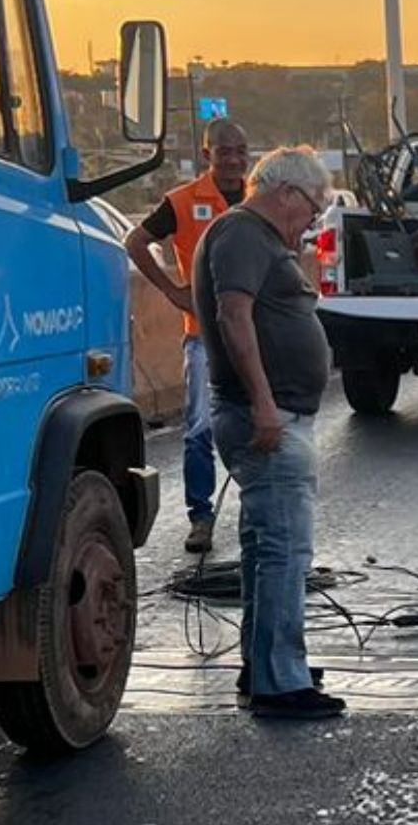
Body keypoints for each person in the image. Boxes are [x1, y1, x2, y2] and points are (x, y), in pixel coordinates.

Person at [194, 146, 343, 722]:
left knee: (264, 550)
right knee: (284, 552)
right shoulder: (243, 235)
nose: (313, 220)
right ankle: (281, 684)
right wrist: (262, 404)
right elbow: (235, 316)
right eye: (314, 206)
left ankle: (266, 664)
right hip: (267, 416)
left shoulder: (251, 236)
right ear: (287, 193)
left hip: (272, 411)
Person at [126, 118, 251, 553]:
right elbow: (135, 241)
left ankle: (257, 513)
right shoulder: (182, 202)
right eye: (224, 152)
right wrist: (172, 290)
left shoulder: (262, 198)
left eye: (241, 151)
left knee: (261, 424)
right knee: (200, 428)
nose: (234, 160)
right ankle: (201, 517)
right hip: (204, 336)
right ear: (207, 155)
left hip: (256, 334)